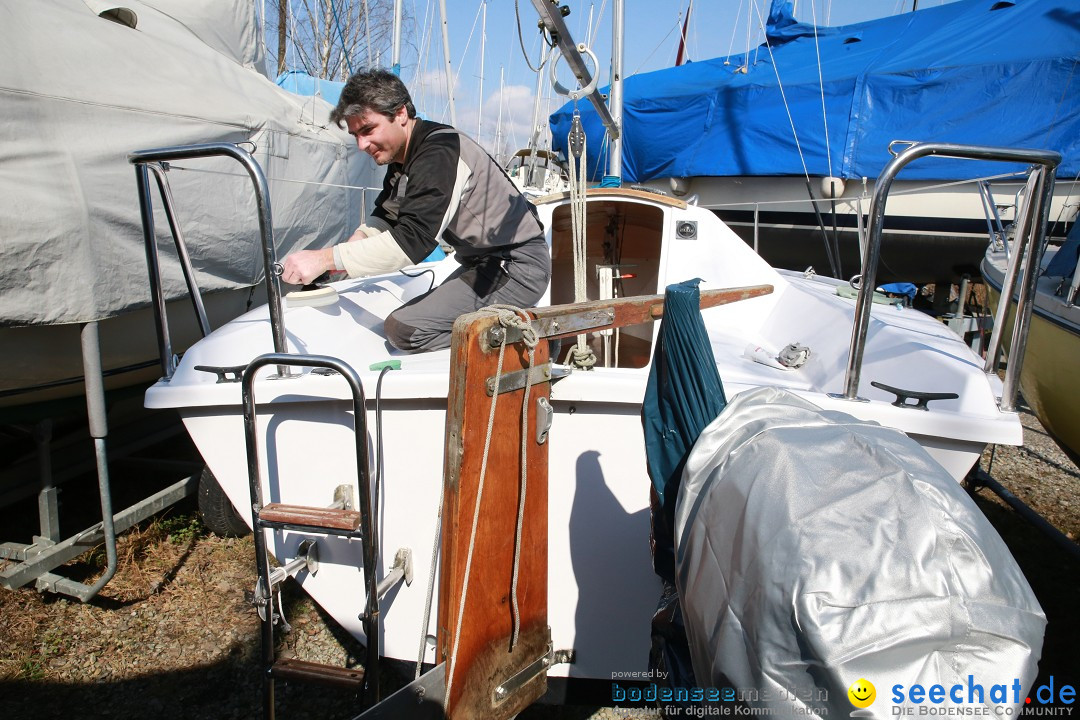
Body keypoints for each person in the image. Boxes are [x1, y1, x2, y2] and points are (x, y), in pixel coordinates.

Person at [280, 69, 551, 353]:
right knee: (414, 319)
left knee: (405, 331)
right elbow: (386, 218)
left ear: (400, 114)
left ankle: (529, 341)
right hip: (481, 264)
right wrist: (337, 265)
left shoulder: (438, 153)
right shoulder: (404, 158)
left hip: (515, 266)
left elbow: (412, 243)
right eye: (355, 135)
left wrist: (323, 259)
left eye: (368, 130)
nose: (361, 145)